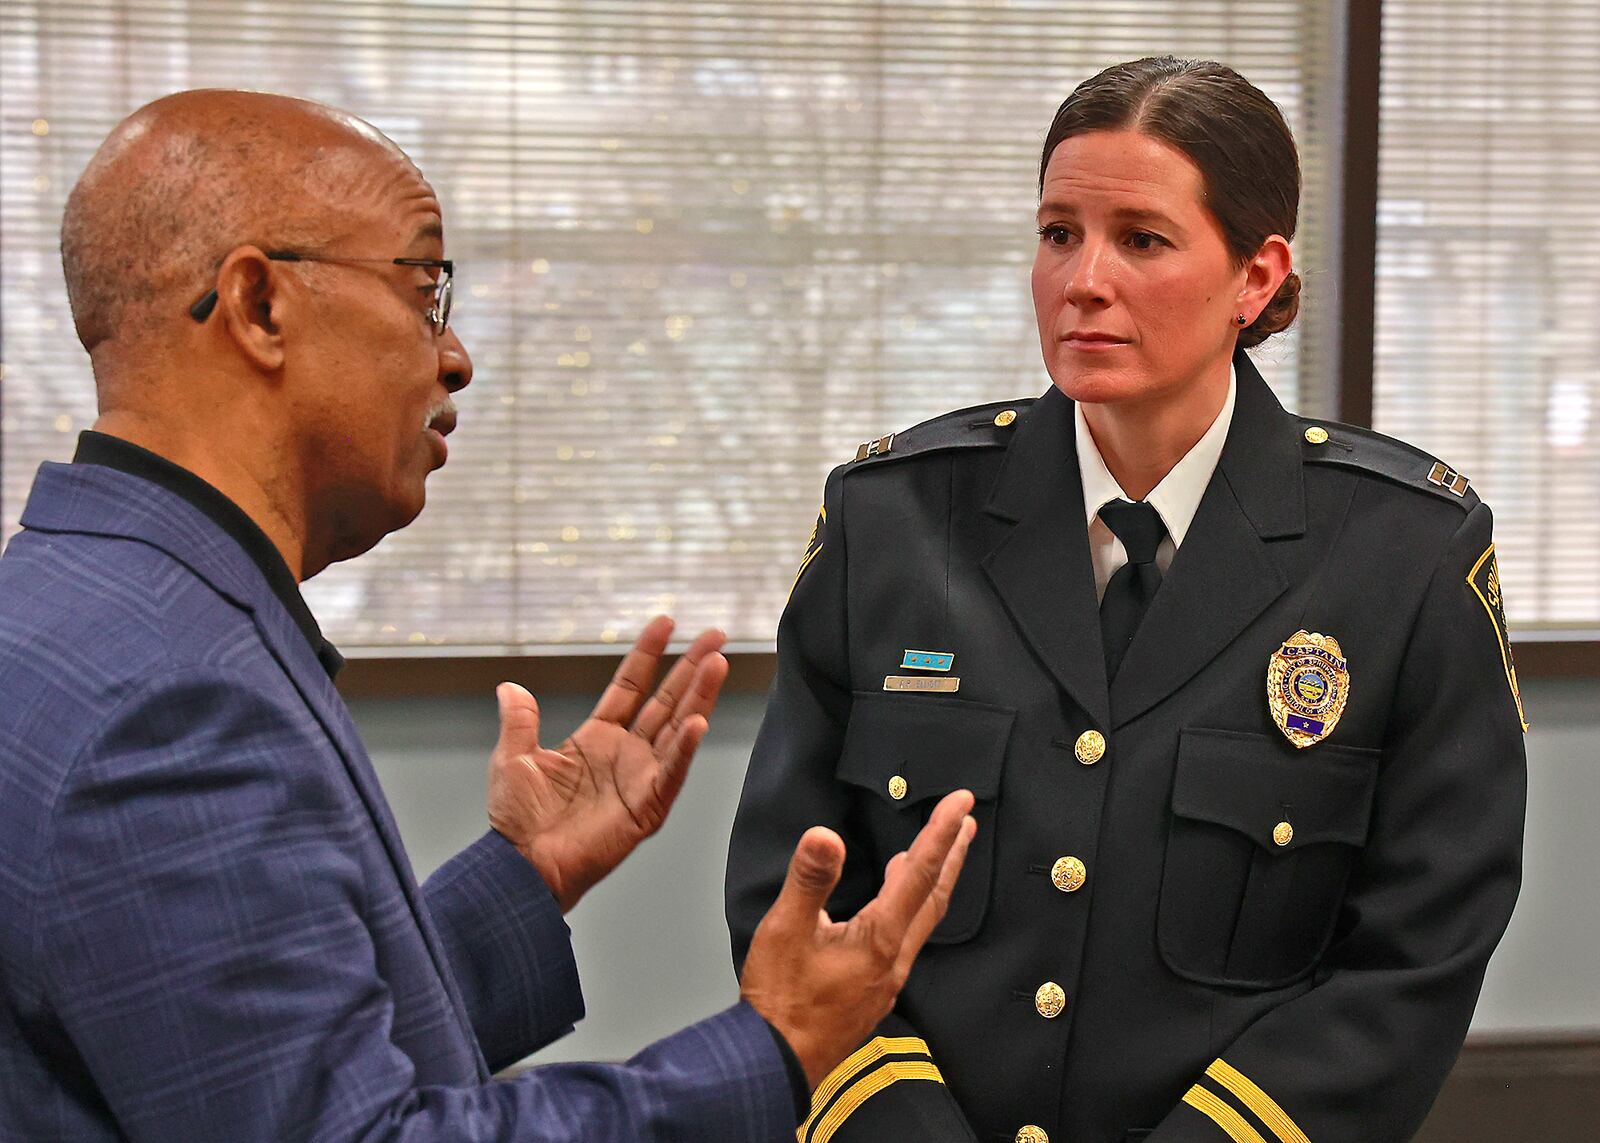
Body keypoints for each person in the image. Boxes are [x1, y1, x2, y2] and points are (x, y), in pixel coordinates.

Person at [0, 90, 979, 1143]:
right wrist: (775, 1047)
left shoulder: (75, 602)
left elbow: (228, 1041)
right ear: (259, 305)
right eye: (424, 290)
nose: (454, 354)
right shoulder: (173, 706)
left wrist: (527, 878)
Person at [726, 56, 1527, 1143]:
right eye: (1058, 233)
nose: (1081, 280)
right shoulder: (896, 522)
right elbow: (792, 892)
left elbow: (1417, 949)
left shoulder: (1403, 554)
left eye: (1140, 240)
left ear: (1256, 277)